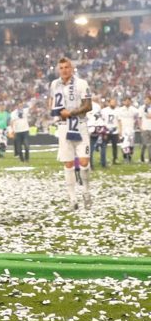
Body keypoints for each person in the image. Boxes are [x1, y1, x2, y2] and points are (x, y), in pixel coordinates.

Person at [48, 56, 92, 210]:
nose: (64, 70)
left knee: (84, 162)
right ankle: (72, 199)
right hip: (63, 127)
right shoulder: (54, 84)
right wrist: (56, 112)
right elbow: (52, 101)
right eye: (61, 68)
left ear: (72, 68)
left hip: (80, 125)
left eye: (66, 67)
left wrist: (71, 112)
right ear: (58, 70)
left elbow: (88, 105)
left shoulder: (81, 83)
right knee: (68, 164)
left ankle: (86, 192)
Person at [117, 95, 139, 164]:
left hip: (131, 130)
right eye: (126, 101)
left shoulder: (134, 110)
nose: (127, 102)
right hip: (123, 130)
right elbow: (119, 121)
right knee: (124, 145)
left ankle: (129, 157)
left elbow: (137, 119)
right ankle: (125, 158)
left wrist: (136, 126)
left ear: (130, 101)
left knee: (131, 145)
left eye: (128, 101)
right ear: (123, 102)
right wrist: (120, 130)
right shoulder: (120, 110)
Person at [140, 94, 151, 163]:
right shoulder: (141, 108)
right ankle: (144, 157)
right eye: (145, 99)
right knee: (146, 144)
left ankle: (145, 157)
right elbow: (140, 118)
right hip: (145, 127)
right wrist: (140, 127)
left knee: (148, 144)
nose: (146, 101)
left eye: (148, 100)